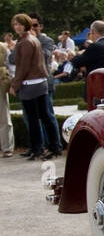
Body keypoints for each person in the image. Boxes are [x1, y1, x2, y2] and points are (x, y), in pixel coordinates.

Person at [10, 14, 60, 160]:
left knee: (34, 119)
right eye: (15, 24)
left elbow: (23, 66)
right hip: (39, 82)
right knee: (44, 117)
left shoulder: (25, 41)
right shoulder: (30, 39)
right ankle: (53, 147)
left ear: (25, 25)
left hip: (31, 84)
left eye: (19, 24)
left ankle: (38, 149)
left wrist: (15, 85)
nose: (17, 26)